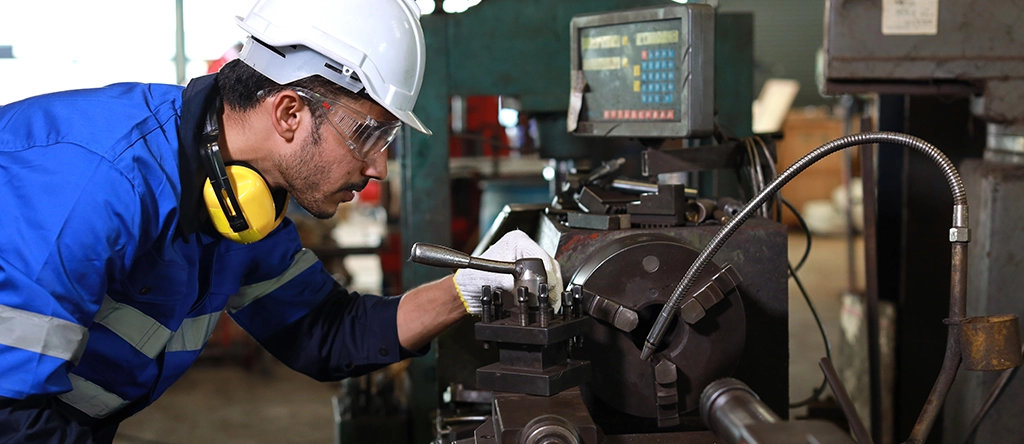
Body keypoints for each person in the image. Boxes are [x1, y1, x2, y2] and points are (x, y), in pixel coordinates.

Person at [0, 0, 561, 442]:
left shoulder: (245, 205)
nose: (377, 166)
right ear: (290, 113)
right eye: (369, 134)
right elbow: (12, 413)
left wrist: (470, 287)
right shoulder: (97, 186)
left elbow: (327, 332)